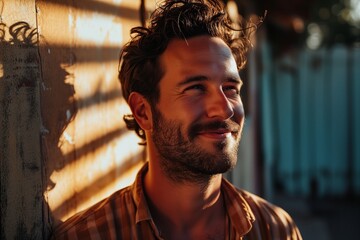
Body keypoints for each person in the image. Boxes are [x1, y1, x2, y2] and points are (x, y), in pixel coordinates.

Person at [52, 0, 302, 239]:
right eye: (195, 88)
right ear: (143, 112)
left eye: (230, 88)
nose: (224, 109)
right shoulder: (86, 235)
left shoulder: (276, 230)